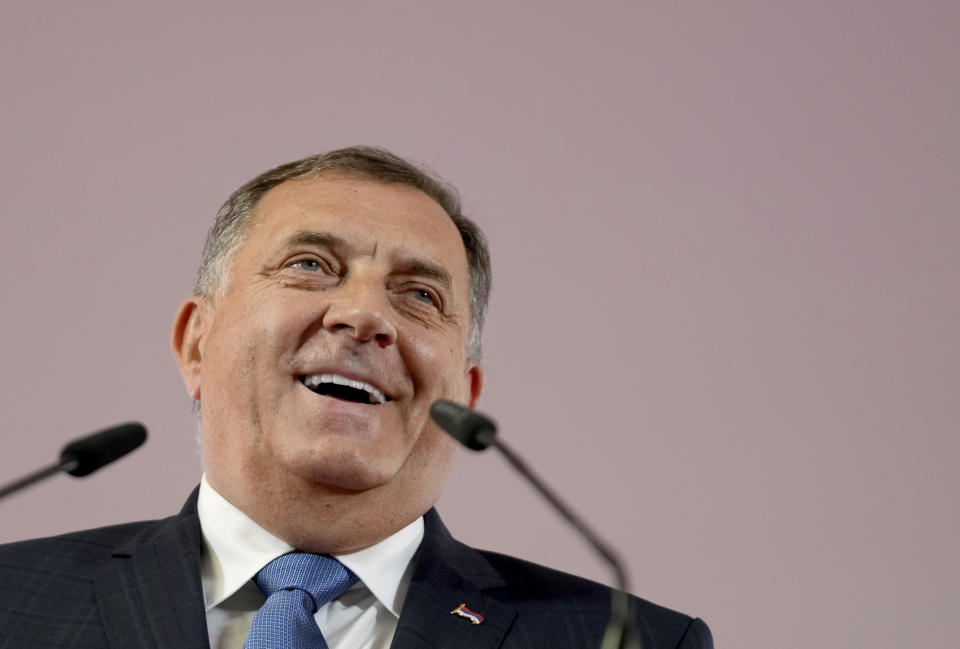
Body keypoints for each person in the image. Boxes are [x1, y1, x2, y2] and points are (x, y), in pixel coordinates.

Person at [0, 146, 713, 648]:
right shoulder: (13, 600)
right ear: (196, 342)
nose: (365, 315)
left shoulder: (626, 640)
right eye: (311, 265)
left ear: (465, 393)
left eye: (420, 294)